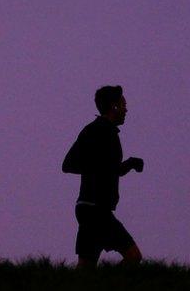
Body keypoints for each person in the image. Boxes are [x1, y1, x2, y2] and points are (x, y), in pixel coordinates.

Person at [62, 85, 144, 268]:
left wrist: (129, 164)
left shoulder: (99, 131)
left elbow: (108, 169)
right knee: (134, 257)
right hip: (96, 211)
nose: (126, 109)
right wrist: (103, 167)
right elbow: (68, 165)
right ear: (113, 106)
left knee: (85, 269)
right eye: (123, 104)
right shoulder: (99, 131)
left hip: (88, 209)